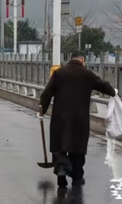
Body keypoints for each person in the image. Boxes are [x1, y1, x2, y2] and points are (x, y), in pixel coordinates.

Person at [39, 51, 117, 188]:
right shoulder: (87, 74)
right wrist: (113, 92)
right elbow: (103, 86)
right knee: (77, 147)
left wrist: (42, 110)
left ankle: (61, 171)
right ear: (82, 60)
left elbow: (47, 93)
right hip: (79, 119)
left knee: (59, 145)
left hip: (60, 117)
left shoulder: (59, 73)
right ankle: (77, 177)